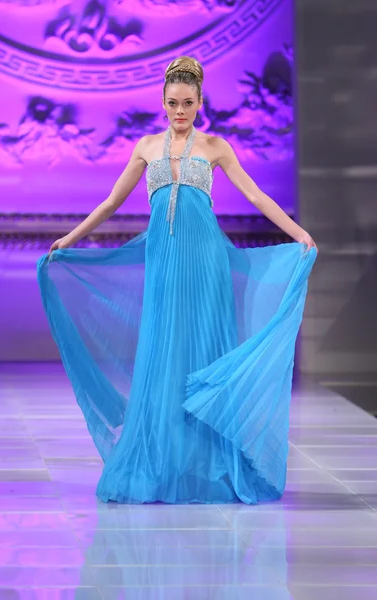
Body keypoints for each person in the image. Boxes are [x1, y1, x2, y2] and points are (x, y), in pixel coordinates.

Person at [37, 56, 317, 505]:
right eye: (173, 103)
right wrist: (70, 238)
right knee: (162, 349)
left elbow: (255, 194)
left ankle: (210, 462)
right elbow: (111, 202)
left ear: (200, 101)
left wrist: (298, 233)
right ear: (162, 102)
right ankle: (163, 459)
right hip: (164, 261)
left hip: (205, 260)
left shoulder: (216, 146)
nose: (180, 111)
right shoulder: (146, 147)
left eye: (188, 103)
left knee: (201, 345)